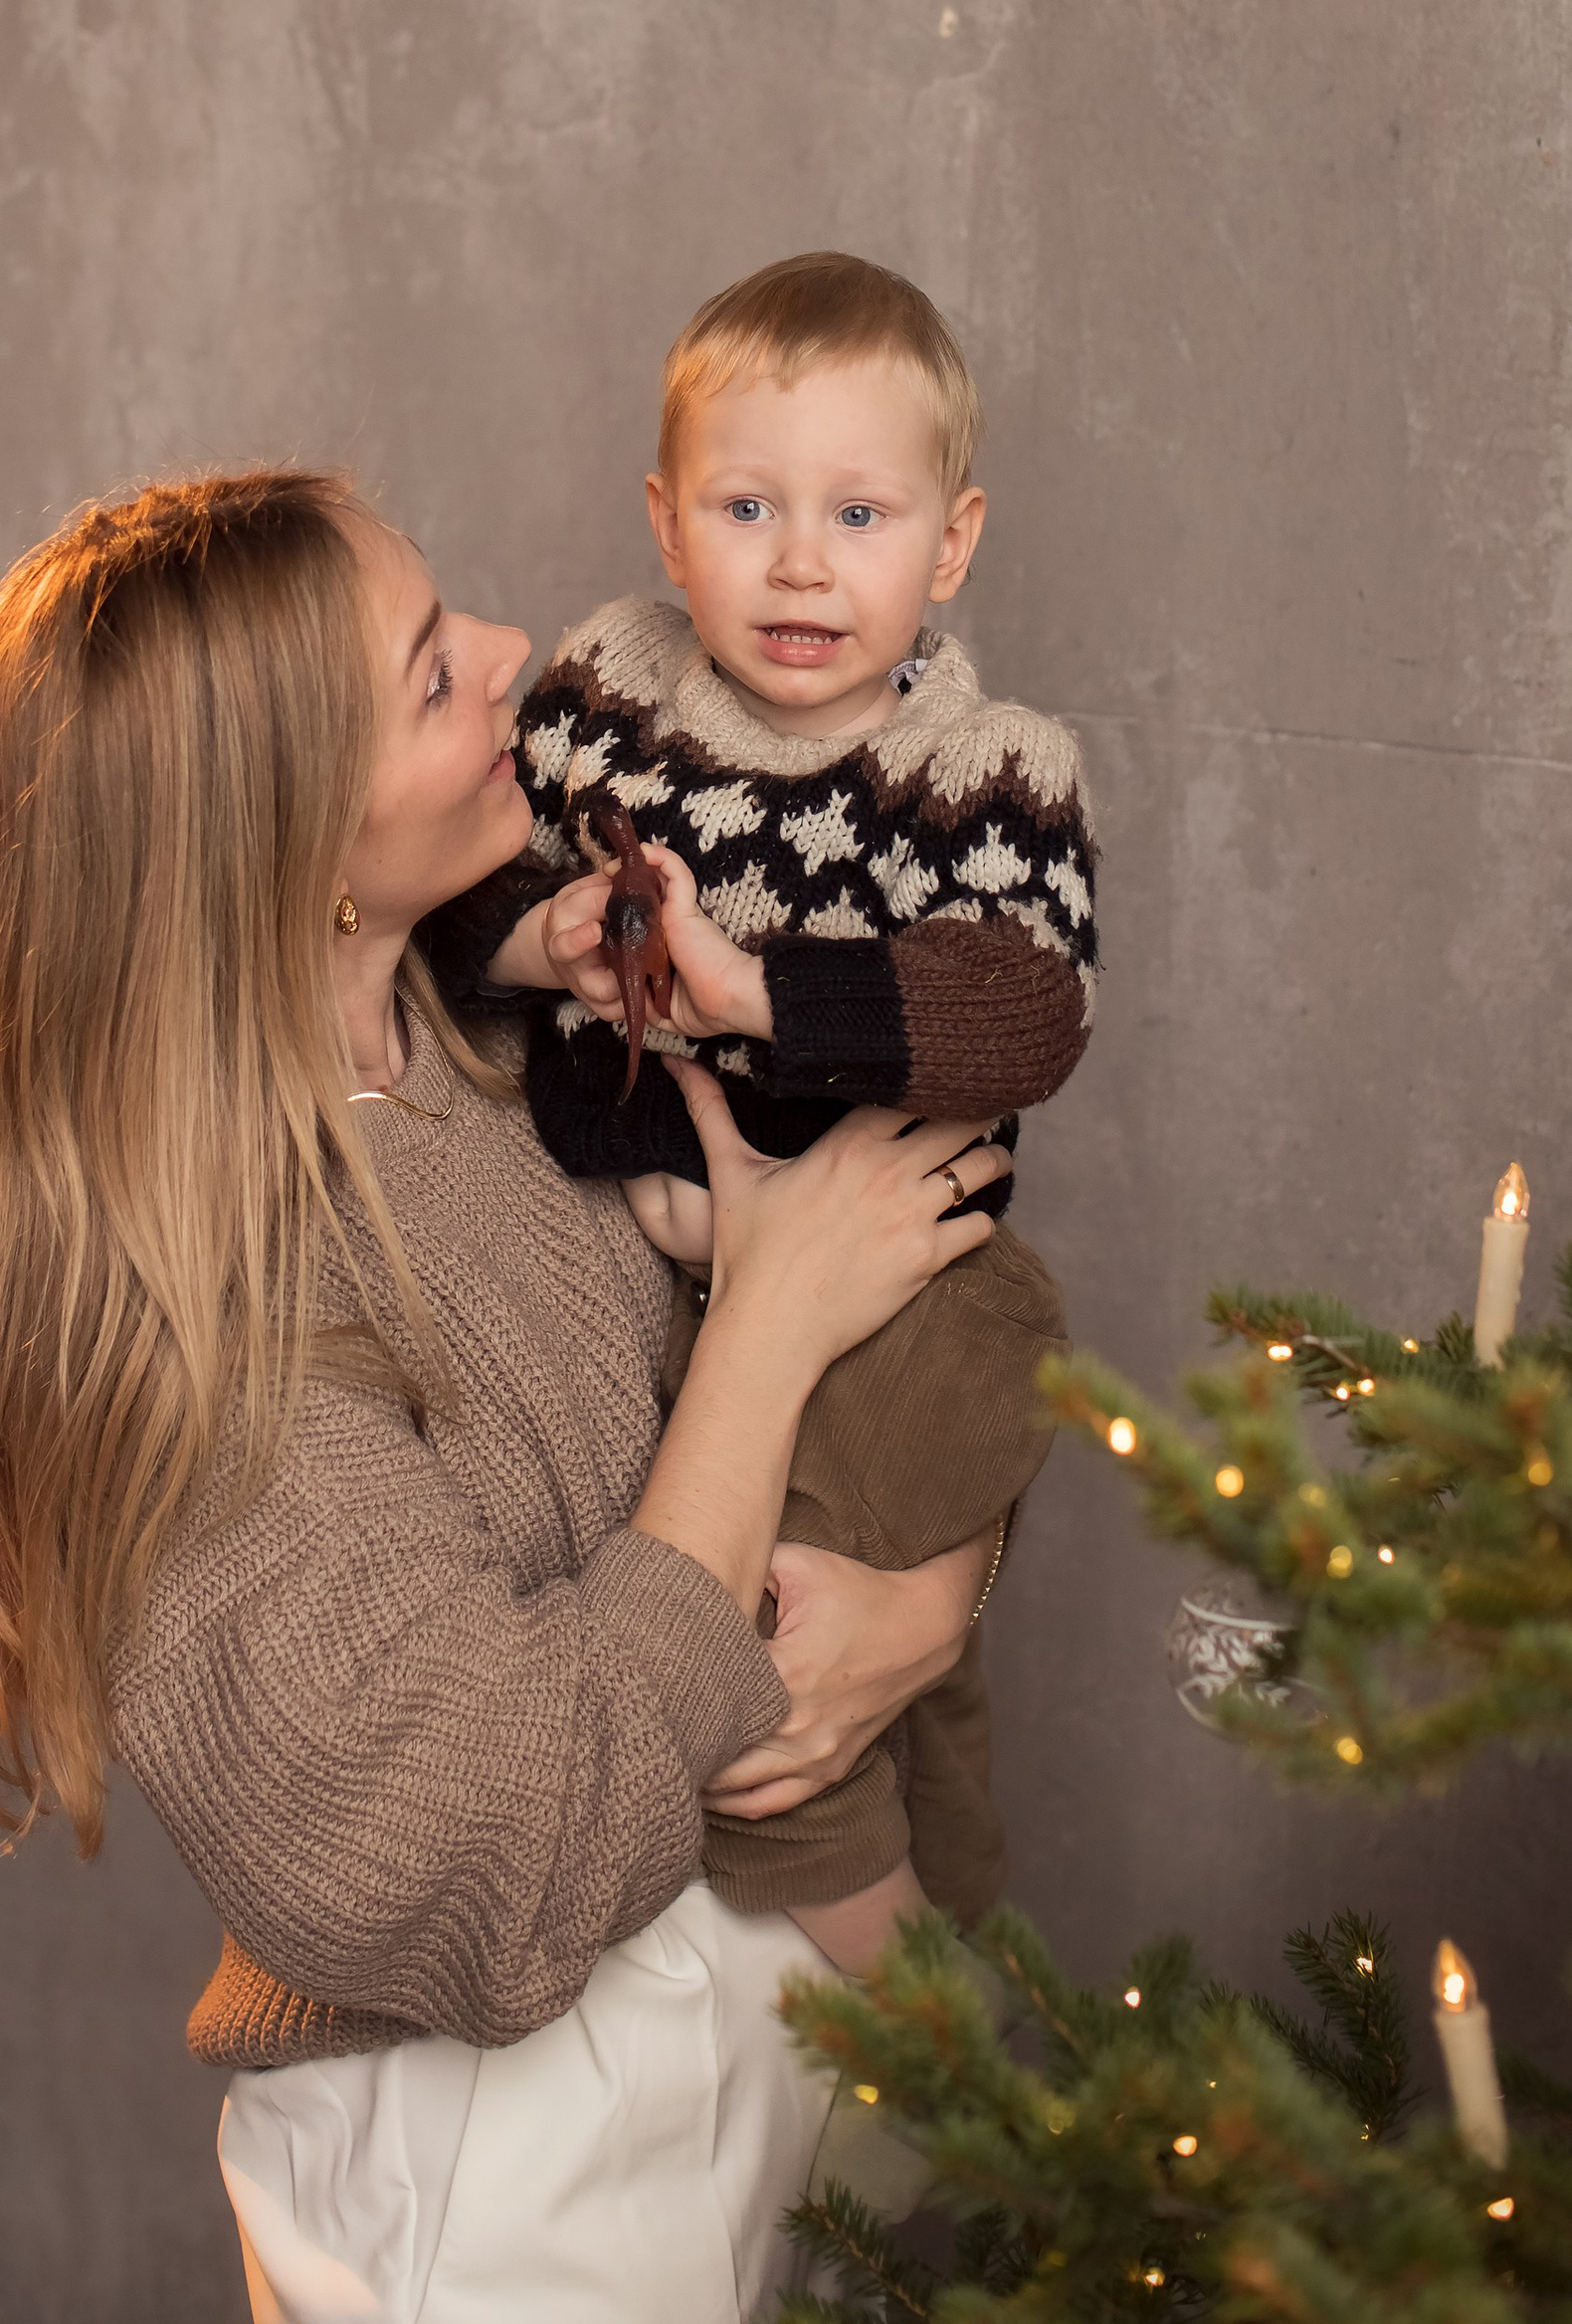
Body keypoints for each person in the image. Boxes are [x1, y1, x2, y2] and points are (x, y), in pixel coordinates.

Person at [0, 467, 1009, 2324]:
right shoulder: (194, 1343)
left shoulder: (501, 1042)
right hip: (519, 2193)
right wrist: (768, 1328)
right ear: (284, 847)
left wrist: (924, 1602)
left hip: (770, 2060)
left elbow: (897, 1369)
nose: (511, 652)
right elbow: (492, 1857)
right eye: (432, 674)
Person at [424, 253, 1096, 1968]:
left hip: (910, 1295)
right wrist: (540, 934)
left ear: (950, 543)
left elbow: (1030, 1008)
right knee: (864, 1655)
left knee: (784, 1684)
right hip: (682, 1279)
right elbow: (440, 894)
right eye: (748, 508)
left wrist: (763, 998)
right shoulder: (605, 694)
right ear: (668, 526)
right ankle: (965, 1956)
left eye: (861, 516)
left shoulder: (985, 768)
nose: (802, 562)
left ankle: (929, 2044)